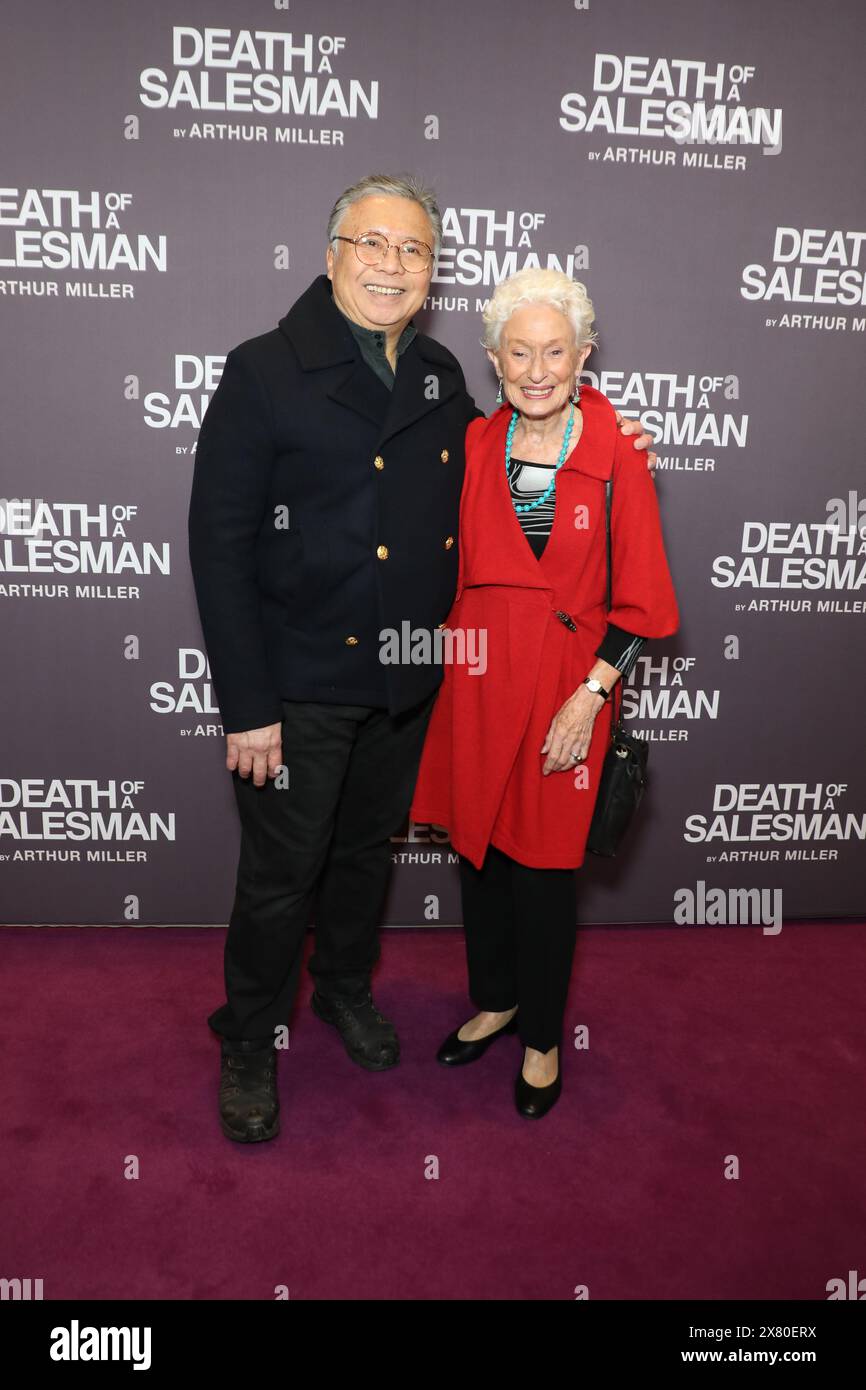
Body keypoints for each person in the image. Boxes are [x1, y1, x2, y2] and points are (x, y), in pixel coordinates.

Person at [188, 175, 656, 1144]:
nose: (391, 265)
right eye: (372, 244)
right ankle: (247, 1036)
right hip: (297, 682)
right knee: (281, 875)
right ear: (331, 256)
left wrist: (610, 434)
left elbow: (540, 417)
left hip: (408, 681)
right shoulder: (262, 369)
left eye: (412, 251)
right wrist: (245, 704)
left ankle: (346, 991)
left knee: (363, 857)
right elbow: (218, 546)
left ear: (432, 272)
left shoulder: (441, 378)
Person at [410, 268, 679, 1119]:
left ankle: (542, 1038)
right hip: (479, 686)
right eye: (518, 352)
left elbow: (641, 605)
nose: (536, 369)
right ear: (492, 358)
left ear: (583, 355)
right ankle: (495, 998)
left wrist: (590, 699)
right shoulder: (475, 442)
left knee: (544, 873)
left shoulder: (616, 454)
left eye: (554, 351)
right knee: (478, 857)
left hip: (571, 693)